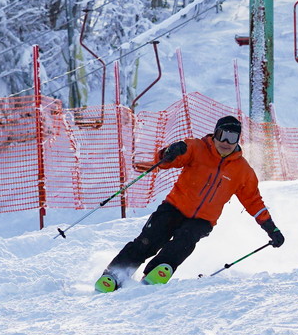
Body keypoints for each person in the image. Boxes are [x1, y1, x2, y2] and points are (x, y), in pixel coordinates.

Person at [96, 115, 284, 291]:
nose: (226, 142)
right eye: (222, 135)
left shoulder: (243, 171)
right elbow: (164, 162)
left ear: (238, 140)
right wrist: (171, 151)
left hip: (202, 220)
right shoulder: (196, 147)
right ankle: (115, 273)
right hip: (174, 207)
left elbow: (253, 201)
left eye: (232, 137)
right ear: (215, 133)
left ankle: (159, 270)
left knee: (184, 241)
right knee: (149, 240)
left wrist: (271, 228)